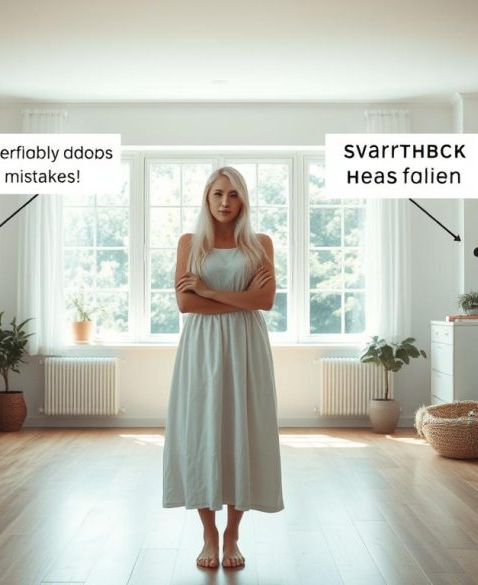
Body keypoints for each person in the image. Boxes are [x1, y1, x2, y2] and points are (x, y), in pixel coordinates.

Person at [162, 166, 284, 570]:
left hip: (246, 347)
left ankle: (233, 532)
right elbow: (186, 305)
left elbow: (264, 301)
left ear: (244, 199)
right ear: (207, 197)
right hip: (201, 347)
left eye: (233, 195)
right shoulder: (189, 243)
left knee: (241, 430)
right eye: (218, 194)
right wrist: (241, 295)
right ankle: (208, 532)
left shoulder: (260, 244)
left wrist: (211, 290)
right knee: (202, 431)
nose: (225, 202)